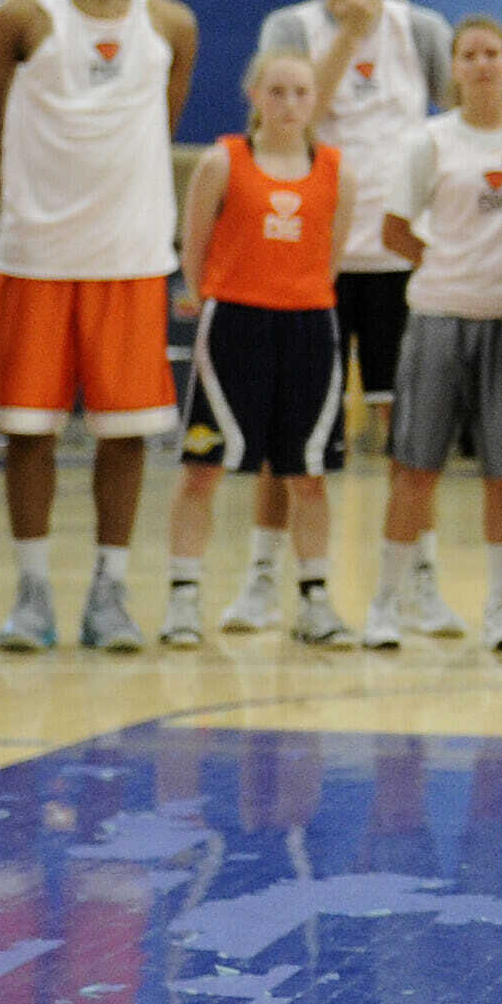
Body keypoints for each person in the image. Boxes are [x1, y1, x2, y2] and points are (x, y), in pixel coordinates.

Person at [0, 0, 196, 655]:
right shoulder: (19, 14)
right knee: (26, 432)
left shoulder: (170, 20)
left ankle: (110, 591)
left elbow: (159, 127)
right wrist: (22, 206)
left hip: (130, 257)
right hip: (36, 256)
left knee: (125, 432)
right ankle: (32, 592)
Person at [260, 0, 454, 622]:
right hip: (315, 255)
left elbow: (459, 124)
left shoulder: (422, 28)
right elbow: (295, 119)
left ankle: (420, 581)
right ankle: (265, 574)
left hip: (401, 253)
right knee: (291, 427)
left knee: (412, 430)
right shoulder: (292, 29)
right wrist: (348, 31)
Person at [371, 14, 502, 651]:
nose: (481, 64)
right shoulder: (430, 141)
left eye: (492, 53)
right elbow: (394, 230)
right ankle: (385, 606)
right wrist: (448, 265)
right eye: (469, 54)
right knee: (414, 468)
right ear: (453, 67)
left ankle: (501, 609)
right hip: (439, 317)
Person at [166, 51, 351, 646]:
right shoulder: (224, 161)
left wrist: (301, 295)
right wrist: (207, 296)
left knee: (309, 474)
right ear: (255, 96)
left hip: (308, 328)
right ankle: (183, 598)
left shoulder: (337, 171)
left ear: (315, 99)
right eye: (277, 91)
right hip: (235, 326)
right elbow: (192, 245)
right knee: (203, 467)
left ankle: (315, 599)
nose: (290, 104)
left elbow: (332, 256)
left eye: (301, 92)